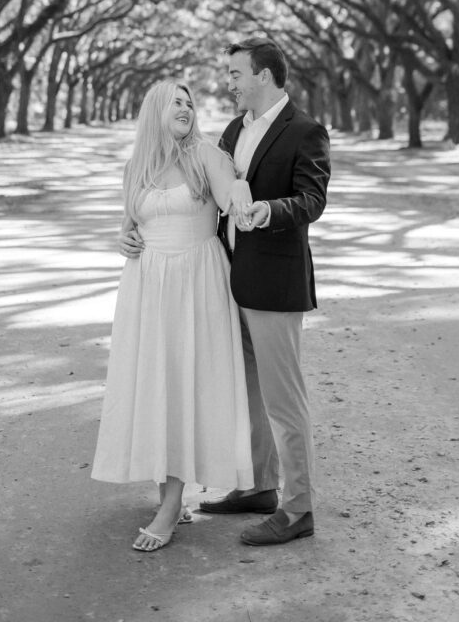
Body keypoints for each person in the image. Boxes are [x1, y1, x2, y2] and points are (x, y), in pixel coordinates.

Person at [91, 79, 255, 552]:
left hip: (197, 284)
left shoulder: (205, 156)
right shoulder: (136, 167)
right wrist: (122, 239)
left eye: (189, 103)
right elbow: (129, 226)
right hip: (147, 287)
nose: (186, 108)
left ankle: (169, 505)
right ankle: (171, 497)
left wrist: (242, 191)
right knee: (158, 387)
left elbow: (232, 202)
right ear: (155, 111)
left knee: (186, 386)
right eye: (176, 102)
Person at [198, 37, 331, 546]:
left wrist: (270, 211)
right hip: (235, 277)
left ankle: (298, 509)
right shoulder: (235, 130)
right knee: (249, 391)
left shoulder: (305, 130)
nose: (228, 82)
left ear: (264, 75)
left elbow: (312, 200)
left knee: (283, 400)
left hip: (276, 283)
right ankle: (258, 487)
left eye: (235, 73)